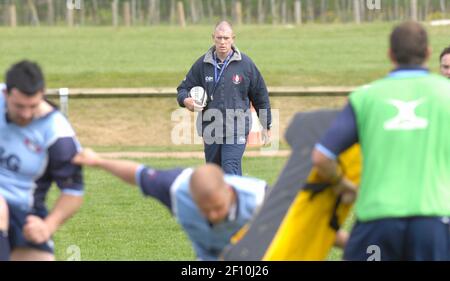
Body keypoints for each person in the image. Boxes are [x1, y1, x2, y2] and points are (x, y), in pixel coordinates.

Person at [312, 21, 450, 261]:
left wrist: (340, 183)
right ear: (428, 53)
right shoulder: (445, 94)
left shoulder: (366, 97)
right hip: (434, 220)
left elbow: (321, 157)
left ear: (390, 54)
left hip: (377, 219)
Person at [72, 148, 267, 261]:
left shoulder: (261, 197)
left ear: (230, 192)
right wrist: (98, 161)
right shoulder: (176, 188)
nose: (213, 216)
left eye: (218, 208)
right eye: (205, 210)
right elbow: (137, 174)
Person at [0, 61, 84, 261]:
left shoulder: (58, 134)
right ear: (5, 94)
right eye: (19, 106)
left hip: (27, 213)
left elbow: (73, 191)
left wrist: (48, 226)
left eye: (33, 106)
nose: (26, 114)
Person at [177, 21, 272, 176]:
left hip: (237, 129)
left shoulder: (246, 65)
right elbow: (182, 89)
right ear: (213, 38)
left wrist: (266, 124)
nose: (222, 42)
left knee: (230, 167)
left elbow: (261, 96)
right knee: (214, 175)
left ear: (233, 39)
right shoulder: (202, 64)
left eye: (226, 38)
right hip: (211, 129)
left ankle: (235, 199)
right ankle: (227, 199)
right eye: (219, 38)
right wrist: (185, 100)